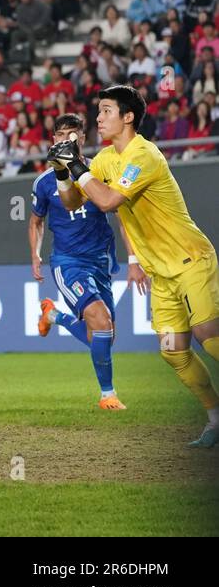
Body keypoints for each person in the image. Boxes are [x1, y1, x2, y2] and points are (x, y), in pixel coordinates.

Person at [50, 85, 219, 447]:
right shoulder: (106, 159)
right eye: (98, 111)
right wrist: (62, 173)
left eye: (106, 111)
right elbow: (71, 202)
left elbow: (108, 201)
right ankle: (215, 418)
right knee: (173, 350)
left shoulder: (144, 155)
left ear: (128, 117)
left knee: (211, 339)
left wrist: (76, 165)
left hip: (191, 260)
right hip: (161, 273)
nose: (98, 118)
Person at [30, 113, 123, 409]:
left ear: (83, 138)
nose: (67, 139)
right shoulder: (44, 182)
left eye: (73, 134)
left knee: (105, 336)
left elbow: (121, 215)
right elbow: (35, 221)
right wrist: (35, 253)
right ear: (53, 141)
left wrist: (134, 257)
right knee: (100, 319)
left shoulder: (102, 170)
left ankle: (53, 316)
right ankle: (108, 395)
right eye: (61, 135)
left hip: (100, 260)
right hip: (67, 261)